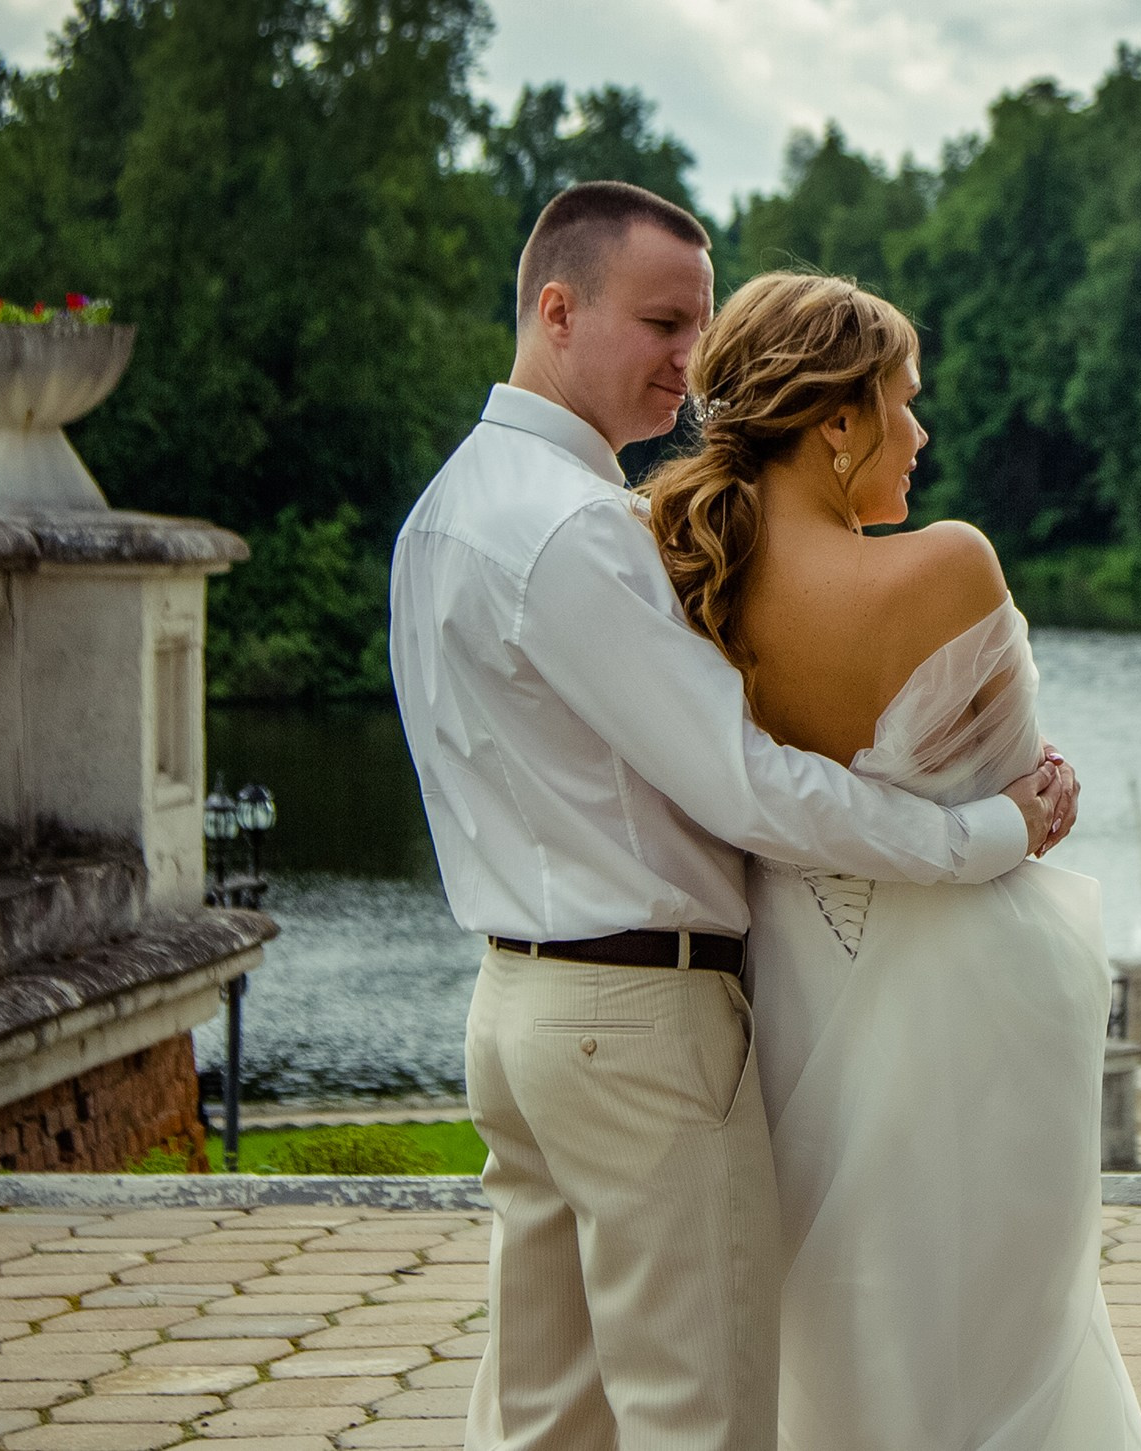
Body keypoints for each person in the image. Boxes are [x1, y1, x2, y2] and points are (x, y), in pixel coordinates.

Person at [388, 183, 1078, 1451]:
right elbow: (751, 788)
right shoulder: (579, 533)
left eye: (700, 327)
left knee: (543, 1421)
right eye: (660, 323)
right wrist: (989, 835)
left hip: (515, 1012)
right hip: (635, 1027)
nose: (688, 364)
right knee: (694, 1419)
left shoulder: (446, 512)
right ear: (556, 308)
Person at [642, 271, 1141, 1451]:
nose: (918, 434)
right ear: (834, 422)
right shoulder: (949, 565)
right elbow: (1027, 784)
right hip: (982, 981)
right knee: (1009, 1341)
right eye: (902, 403)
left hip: (790, 987)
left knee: (841, 1326)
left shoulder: (682, 579)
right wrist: (1031, 790)